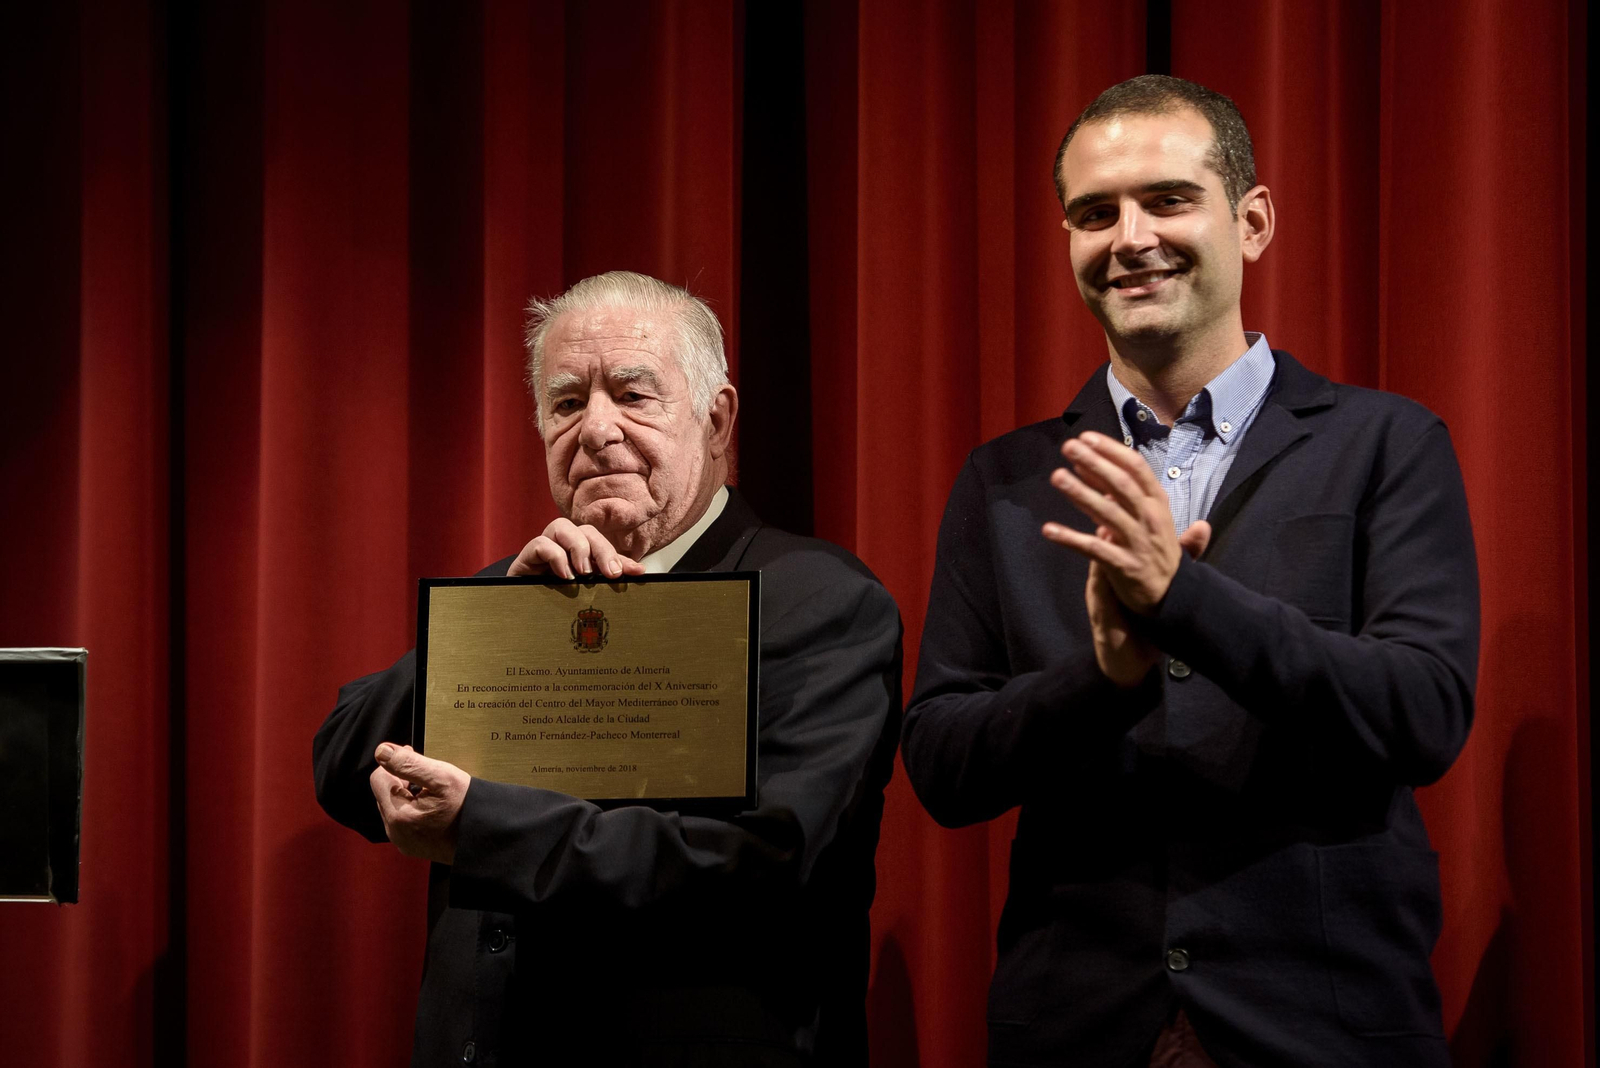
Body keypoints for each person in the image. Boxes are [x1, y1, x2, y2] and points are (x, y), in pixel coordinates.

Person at [901, 75, 1478, 1068]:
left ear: (1250, 223)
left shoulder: (1387, 443)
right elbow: (944, 765)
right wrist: (1105, 679)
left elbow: (1421, 712)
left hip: (1324, 1027)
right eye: (1093, 213)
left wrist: (1186, 602)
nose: (1128, 237)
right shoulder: (1004, 479)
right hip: (1075, 1027)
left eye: (1166, 199)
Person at [314, 271, 901, 1067]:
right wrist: (503, 628)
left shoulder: (820, 602)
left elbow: (763, 860)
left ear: (717, 418)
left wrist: (481, 827)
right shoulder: (520, 590)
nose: (595, 429)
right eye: (565, 403)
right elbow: (343, 763)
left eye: (633, 394)